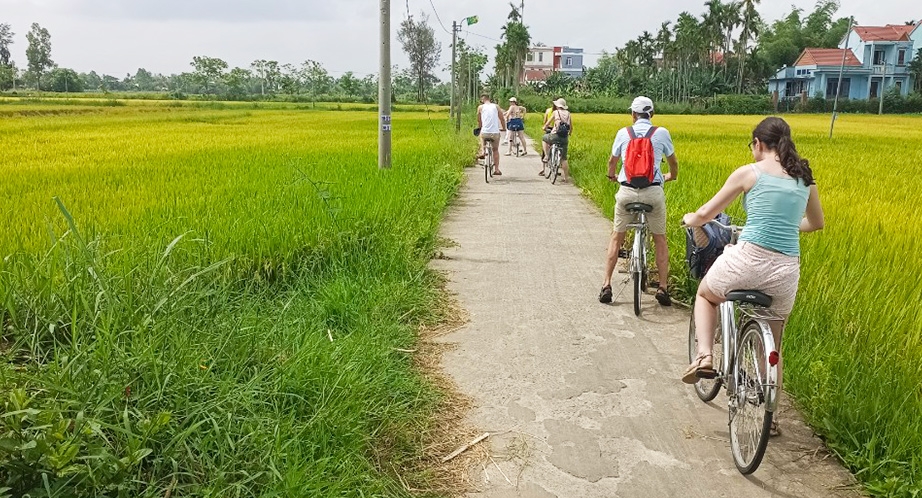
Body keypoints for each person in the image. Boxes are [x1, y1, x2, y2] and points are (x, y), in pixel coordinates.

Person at [682, 117, 824, 413]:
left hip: (747, 261)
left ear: (758, 144)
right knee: (773, 343)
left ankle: (705, 357)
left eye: (752, 145)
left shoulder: (750, 173)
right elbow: (815, 223)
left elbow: (708, 212)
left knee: (706, 295)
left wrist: (690, 219)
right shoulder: (805, 178)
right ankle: (771, 415)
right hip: (785, 272)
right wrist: (785, 224)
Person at [599, 96, 678, 306]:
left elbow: (612, 161)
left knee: (616, 237)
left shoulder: (623, 133)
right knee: (660, 239)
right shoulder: (662, 133)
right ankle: (662, 287)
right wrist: (671, 176)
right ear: (652, 114)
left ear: (633, 114)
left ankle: (606, 284)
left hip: (627, 191)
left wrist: (611, 175)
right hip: (653, 192)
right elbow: (673, 162)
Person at [541, 98, 573, 181]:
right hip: (564, 137)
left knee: (544, 138)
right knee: (564, 159)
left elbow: (547, 123)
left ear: (557, 106)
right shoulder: (568, 114)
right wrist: (569, 133)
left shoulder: (555, 112)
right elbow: (571, 127)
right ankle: (566, 178)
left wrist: (544, 127)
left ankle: (547, 155)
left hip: (555, 135)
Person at [477, 94, 506, 175]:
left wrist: (480, 127)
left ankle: (483, 151)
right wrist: (504, 128)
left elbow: (479, 120)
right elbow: (502, 119)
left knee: (481, 136)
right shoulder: (496, 106)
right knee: (495, 150)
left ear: (482, 100)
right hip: (495, 133)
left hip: (485, 132)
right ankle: (496, 170)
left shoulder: (480, 107)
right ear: (489, 99)